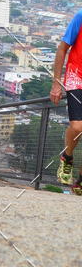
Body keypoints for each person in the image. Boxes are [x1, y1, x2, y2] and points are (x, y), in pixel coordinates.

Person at [51, 11, 82, 194]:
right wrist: (57, 82)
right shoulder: (81, 17)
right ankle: (67, 157)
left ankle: (79, 182)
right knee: (78, 127)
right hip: (76, 76)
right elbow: (62, 48)